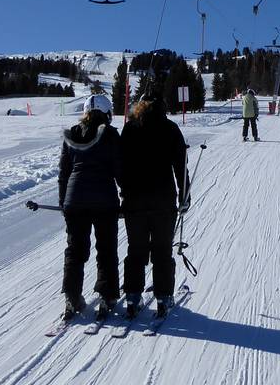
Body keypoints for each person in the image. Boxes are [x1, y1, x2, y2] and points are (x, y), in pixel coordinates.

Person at [119, 90, 189, 319]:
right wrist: (184, 196)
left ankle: (132, 296)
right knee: (162, 249)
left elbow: (120, 165)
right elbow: (181, 166)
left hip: (135, 201)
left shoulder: (130, 128)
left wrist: (125, 191)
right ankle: (163, 296)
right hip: (163, 200)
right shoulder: (170, 129)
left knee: (136, 249)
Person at [57, 93, 122, 321]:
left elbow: (64, 172)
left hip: (74, 200)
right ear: (106, 113)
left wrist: (64, 202)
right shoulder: (110, 135)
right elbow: (120, 170)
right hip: (104, 200)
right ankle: (107, 295)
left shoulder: (72, 135)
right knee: (106, 248)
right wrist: (127, 197)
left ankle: (71, 296)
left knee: (75, 250)